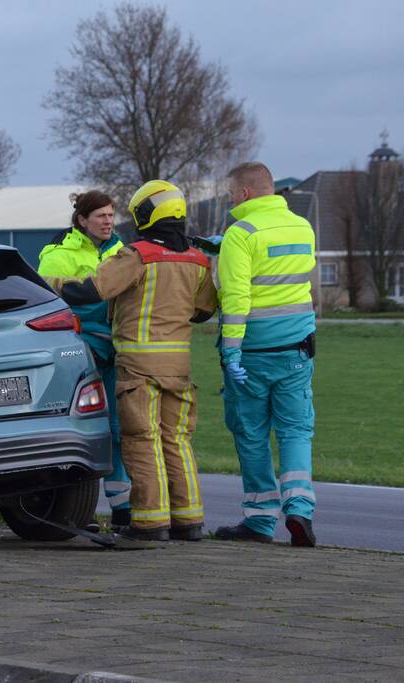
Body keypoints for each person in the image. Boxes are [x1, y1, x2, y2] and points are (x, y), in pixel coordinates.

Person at [46, 180, 217, 541]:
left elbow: (92, 289)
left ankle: (150, 523)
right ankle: (189, 521)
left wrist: (50, 286)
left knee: (142, 440)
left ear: (144, 214)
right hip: (180, 368)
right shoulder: (197, 259)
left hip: (139, 366)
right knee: (177, 441)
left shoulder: (137, 255)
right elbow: (203, 310)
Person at [210, 162, 318, 547]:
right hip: (297, 349)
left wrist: (232, 349)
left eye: (229, 194)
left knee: (252, 433)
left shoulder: (240, 234)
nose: (228, 200)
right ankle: (300, 509)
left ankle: (259, 519)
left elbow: (236, 296)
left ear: (245, 194)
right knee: (295, 430)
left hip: (252, 352)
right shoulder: (302, 226)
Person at [38, 190, 131, 526]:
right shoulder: (57, 255)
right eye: (101, 216)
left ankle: (123, 509)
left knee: (119, 431)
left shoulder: (123, 251)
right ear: (82, 221)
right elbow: (55, 303)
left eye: (111, 215)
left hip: (116, 349)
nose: (108, 221)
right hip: (81, 351)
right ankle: (80, 511)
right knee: (82, 430)